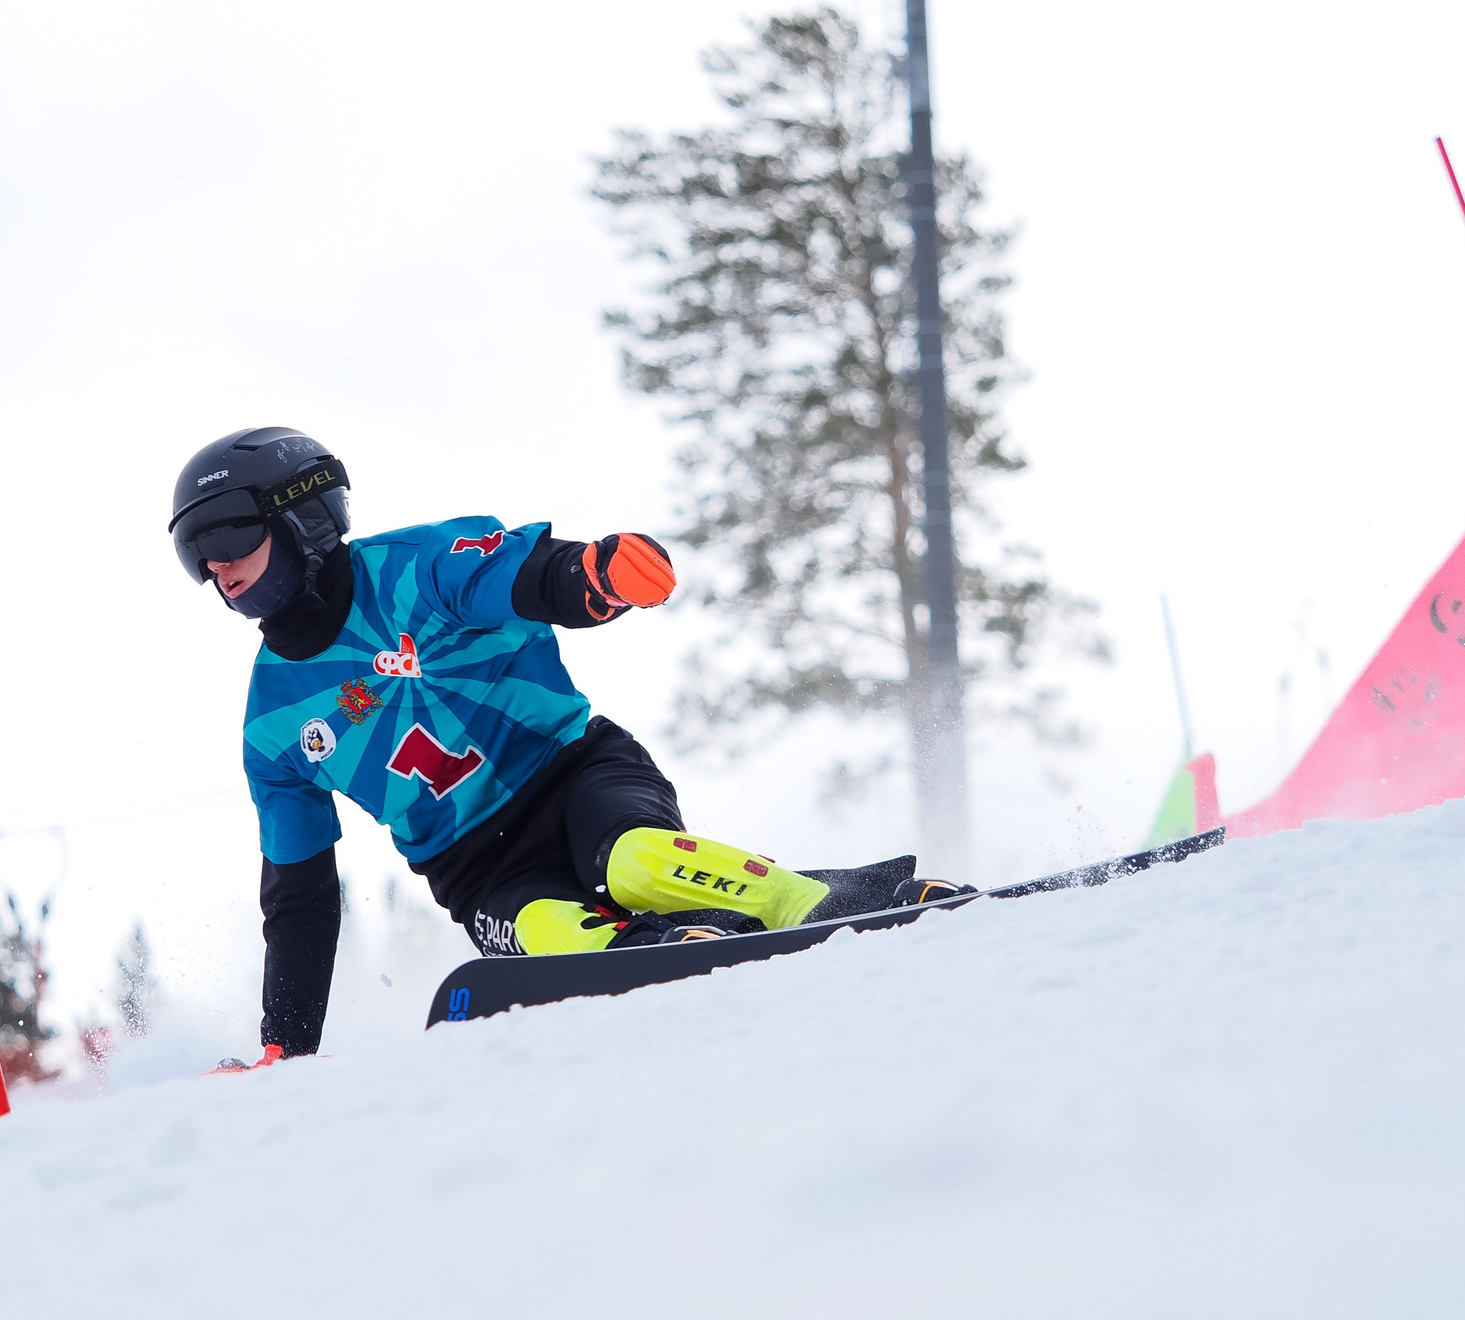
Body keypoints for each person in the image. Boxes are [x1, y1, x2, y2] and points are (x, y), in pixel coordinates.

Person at [171, 426, 965, 1065]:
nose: (217, 565)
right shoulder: (271, 725)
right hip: (478, 871)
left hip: (575, 774)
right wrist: (285, 1044)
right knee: (553, 928)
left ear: (301, 518)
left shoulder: (416, 569)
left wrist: (597, 576)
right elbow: (300, 896)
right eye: (196, 551)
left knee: (635, 862)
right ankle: (667, 941)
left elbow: (525, 575)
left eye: (231, 532)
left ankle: (828, 901)